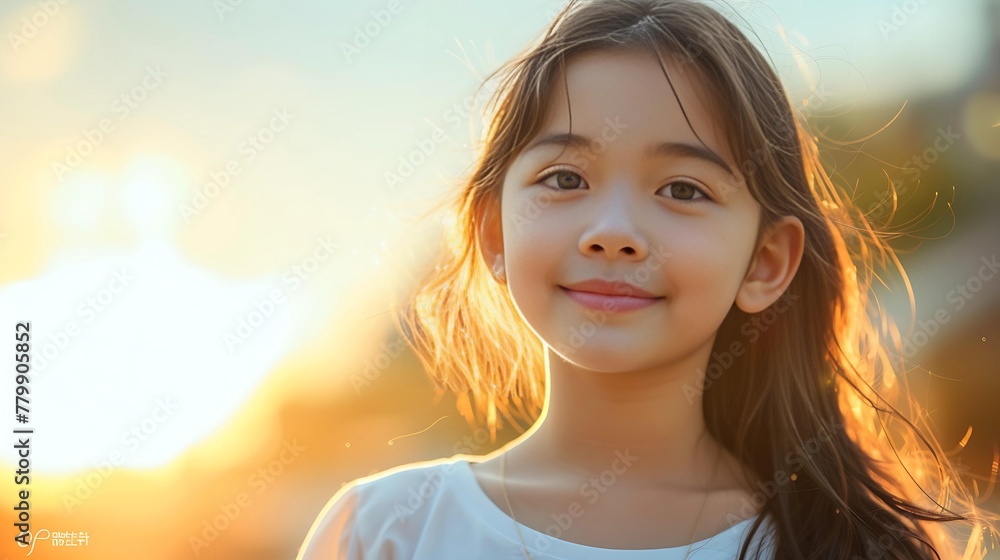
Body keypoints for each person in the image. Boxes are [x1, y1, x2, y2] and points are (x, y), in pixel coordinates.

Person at [298, 1, 996, 558]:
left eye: (684, 189)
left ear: (766, 263)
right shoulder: (386, 532)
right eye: (565, 178)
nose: (614, 230)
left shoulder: (843, 546)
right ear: (494, 234)